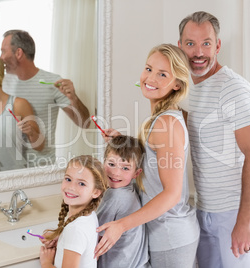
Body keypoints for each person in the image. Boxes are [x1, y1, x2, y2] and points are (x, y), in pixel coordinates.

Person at [95, 44, 200, 268]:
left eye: (162, 74)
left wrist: (121, 225)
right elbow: (155, 160)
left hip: (171, 236)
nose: (150, 78)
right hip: (166, 233)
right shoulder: (161, 119)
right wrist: (122, 142)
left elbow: (171, 194)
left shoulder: (166, 123)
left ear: (177, 84)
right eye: (148, 69)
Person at [178, 11, 250, 267]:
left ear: (217, 45)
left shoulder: (234, 88)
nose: (198, 52)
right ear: (180, 46)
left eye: (206, 43)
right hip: (204, 210)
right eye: (191, 43)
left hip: (236, 212)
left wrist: (244, 222)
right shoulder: (188, 90)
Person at [0, 30, 90, 166]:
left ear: (18, 53)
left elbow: (85, 123)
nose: (1, 58)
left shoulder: (53, 82)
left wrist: (74, 98)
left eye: (3, 51)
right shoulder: (3, 84)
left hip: (42, 168)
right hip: (11, 167)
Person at [39, 155, 108, 268]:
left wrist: (46, 263)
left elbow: (77, 234)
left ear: (96, 192)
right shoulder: (90, 216)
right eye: (68, 179)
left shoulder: (75, 229)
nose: (71, 187)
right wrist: (62, 239)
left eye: (81, 183)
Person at [96, 135, 150, 268]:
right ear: (104, 162)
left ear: (136, 173)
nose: (116, 173)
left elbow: (93, 237)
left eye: (125, 168)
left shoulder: (115, 196)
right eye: (111, 164)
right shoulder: (131, 189)